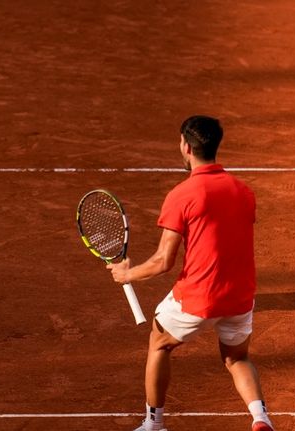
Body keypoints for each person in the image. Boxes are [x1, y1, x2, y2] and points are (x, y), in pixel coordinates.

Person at [107, 115, 274, 431]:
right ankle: (260, 419)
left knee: (159, 342)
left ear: (186, 146)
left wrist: (127, 275)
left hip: (199, 297)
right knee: (236, 358)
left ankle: (153, 424)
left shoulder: (181, 195)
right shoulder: (244, 191)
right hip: (240, 296)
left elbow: (162, 261)